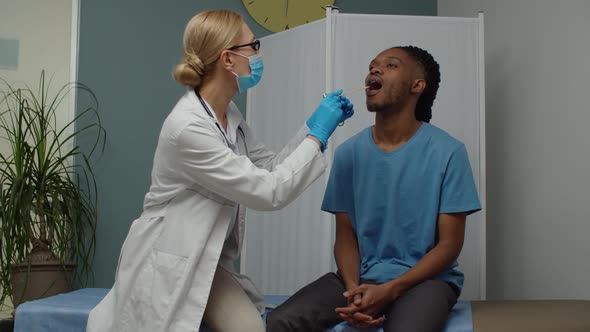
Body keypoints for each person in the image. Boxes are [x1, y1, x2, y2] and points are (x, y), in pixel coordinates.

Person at [86, 9, 354, 332]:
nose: (258, 53)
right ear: (228, 60)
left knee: (250, 328)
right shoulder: (188, 128)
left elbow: (269, 167)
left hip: (205, 262)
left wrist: (311, 128)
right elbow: (269, 191)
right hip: (171, 261)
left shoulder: (230, 115)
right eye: (253, 46)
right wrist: (317, 136)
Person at [266, 45, 481, 332]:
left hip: (425, 282)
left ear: (418, 85)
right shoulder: (348, 153)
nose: (375, 70)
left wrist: (391, 289)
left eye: (391, 65)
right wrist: (354, 290)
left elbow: (449, 245)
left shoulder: (448, 152)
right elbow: (345, 235)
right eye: (372, 65)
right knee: (280, 322)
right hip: (360, 278)